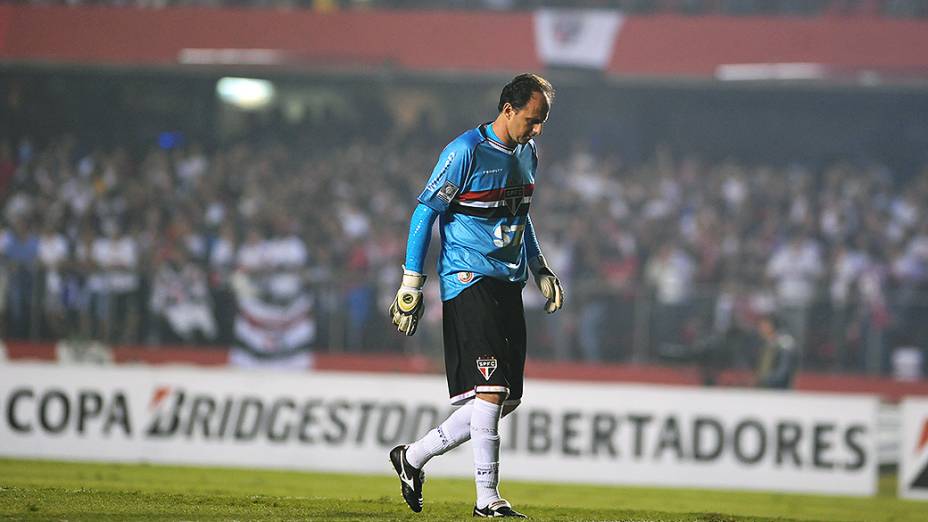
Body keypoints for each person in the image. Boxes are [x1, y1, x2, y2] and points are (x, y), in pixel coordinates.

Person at [388, 73, 564, 518]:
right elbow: (424, 212)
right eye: (532, 119)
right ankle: (488, 500)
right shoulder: (464, 151)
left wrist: (539, 267)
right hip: (468, 279)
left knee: (508, 398)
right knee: (490, 391)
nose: (538, 128)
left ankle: (412, 458)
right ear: (508, 109)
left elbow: (520, 217)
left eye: (542, 121)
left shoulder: (528, 154)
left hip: (509, 282)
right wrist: (412, 281)